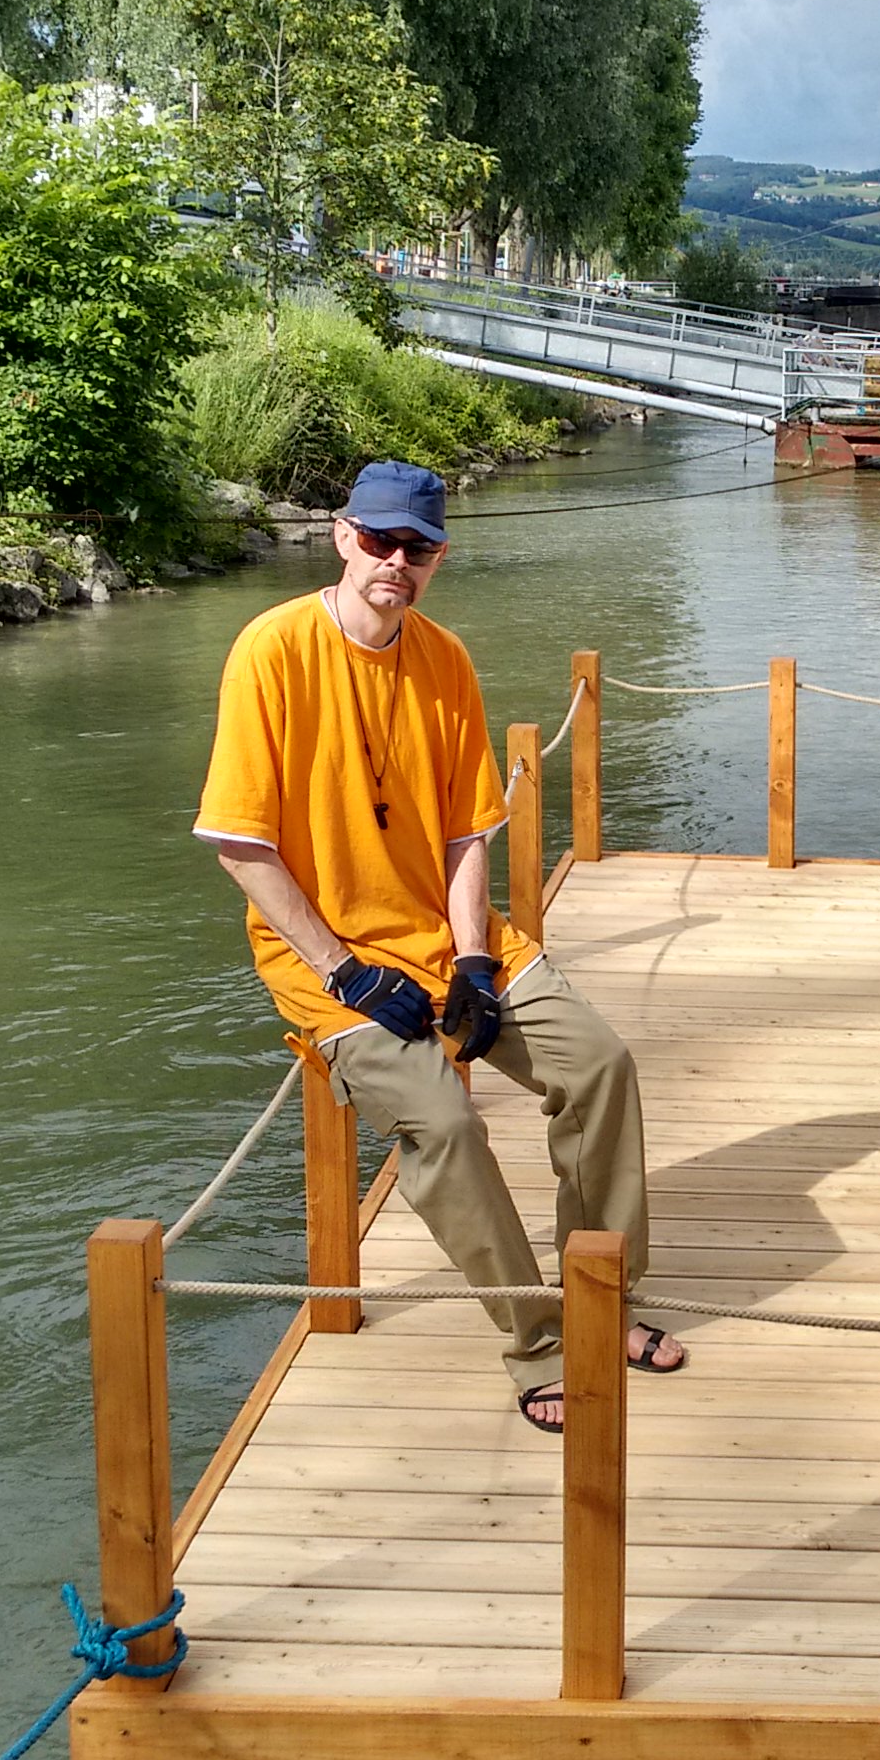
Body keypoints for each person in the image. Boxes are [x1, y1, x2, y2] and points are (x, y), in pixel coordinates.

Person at [192, 458, 684, 1428]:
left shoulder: (446, 658)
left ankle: (605, 1298)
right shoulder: (271, 651)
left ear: (438, 557)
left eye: (417, 548)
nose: (396, 563)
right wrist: (348, 971)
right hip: (324, 963)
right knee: (448, 1127)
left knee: (601, 1065)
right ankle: (537, 1340)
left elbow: (466, 835)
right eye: (379, 541)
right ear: (342, 536)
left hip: (445, 932)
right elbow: (241, 848)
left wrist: (469, 960)